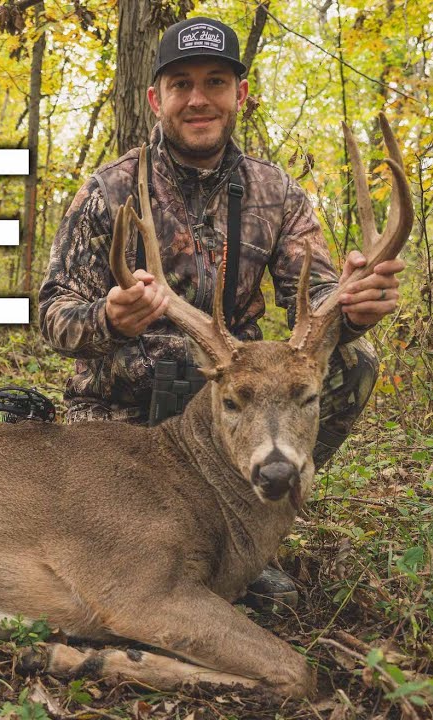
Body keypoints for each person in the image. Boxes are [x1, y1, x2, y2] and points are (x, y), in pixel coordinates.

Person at [38, 17, 405, 604]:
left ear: (241, 94)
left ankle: (253, 523)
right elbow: (53, 313)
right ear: (156, 98)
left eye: (215, 82)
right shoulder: (109, 190)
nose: (198, 99)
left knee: (354, 362)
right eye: (181, 84)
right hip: (122, 420)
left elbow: (317, 299)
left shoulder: (275, 193)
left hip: (238, 406)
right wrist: (109, 318)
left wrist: (355, 306)